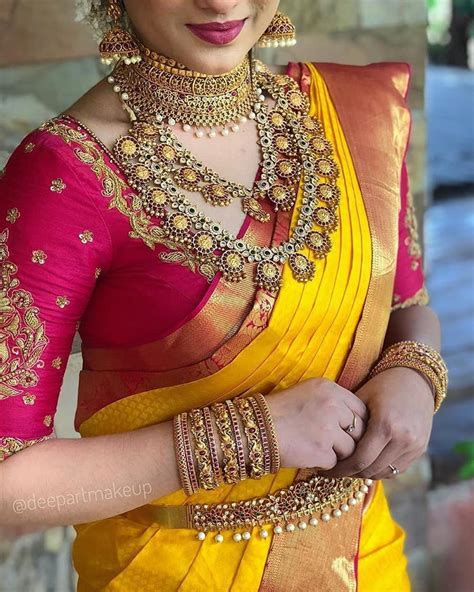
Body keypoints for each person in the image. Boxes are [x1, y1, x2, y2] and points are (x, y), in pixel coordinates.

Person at [0, 1, 448, 590]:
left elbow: (405, 308)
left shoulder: (353, 115)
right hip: (173, 569)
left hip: (367, 559)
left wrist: (414, 375)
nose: (222, 2)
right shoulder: (68, 174)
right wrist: (252, 437)